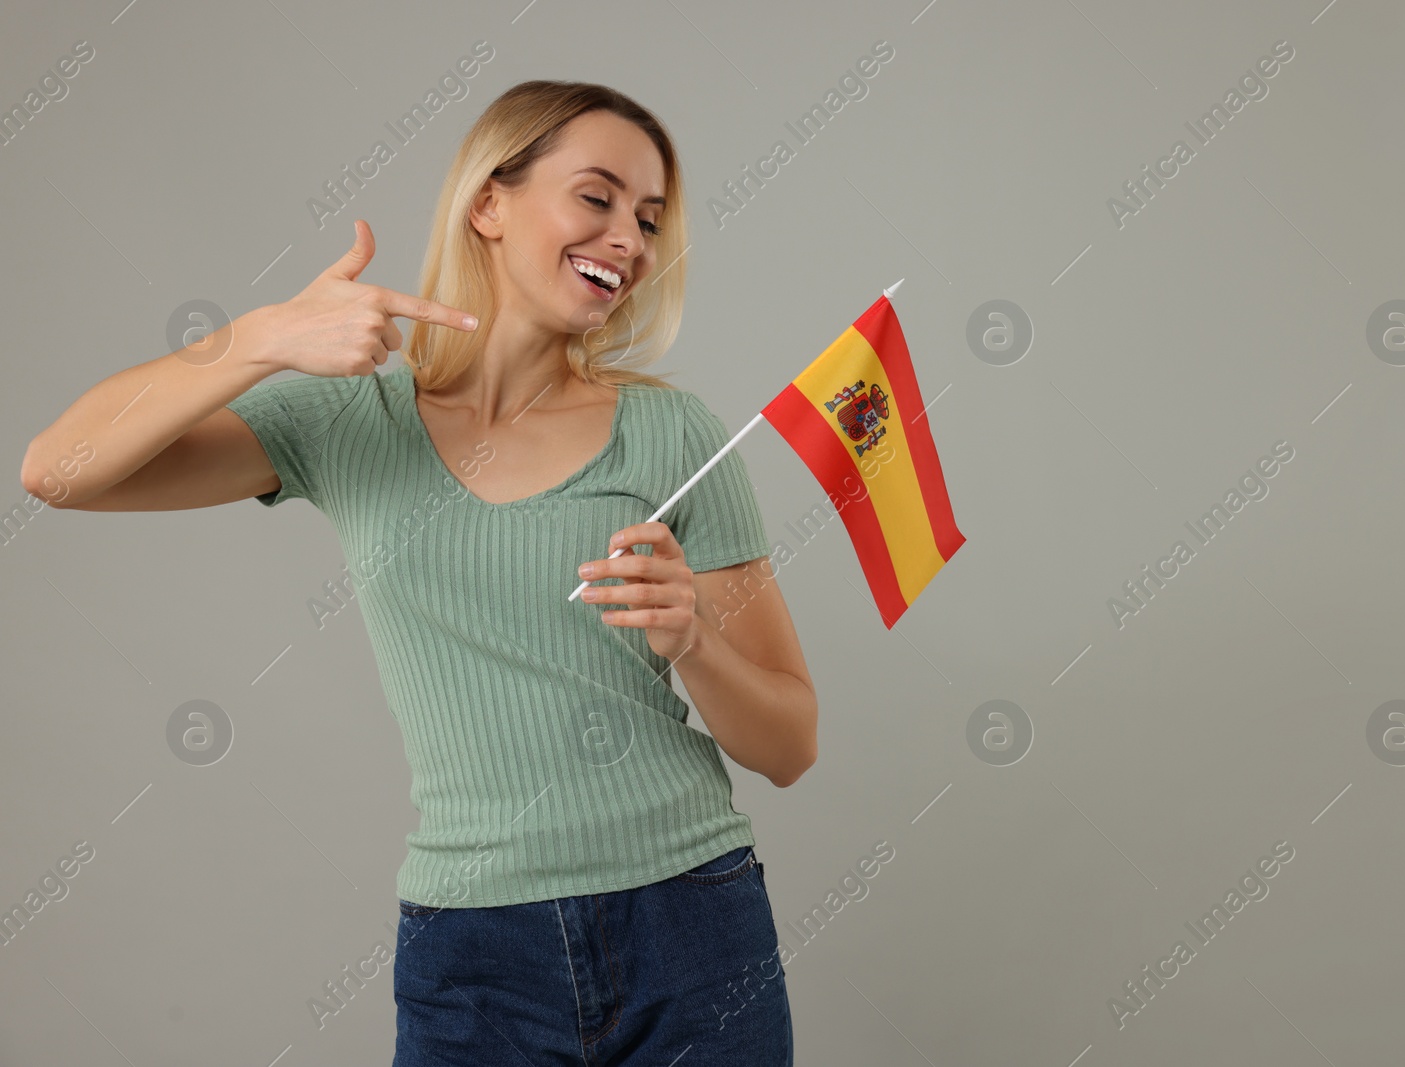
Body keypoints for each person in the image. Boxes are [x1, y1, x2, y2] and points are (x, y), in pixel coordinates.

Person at [20, 80, 814, 1066]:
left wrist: (693, 635)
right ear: (489, 202)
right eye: (598, 197)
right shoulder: (352, 422)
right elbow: (57, 469)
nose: (630, 239)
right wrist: (261, 338)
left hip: (691, 923)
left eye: (649, 219)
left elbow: (787, 741)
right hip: (475, 949)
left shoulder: (677, 433)